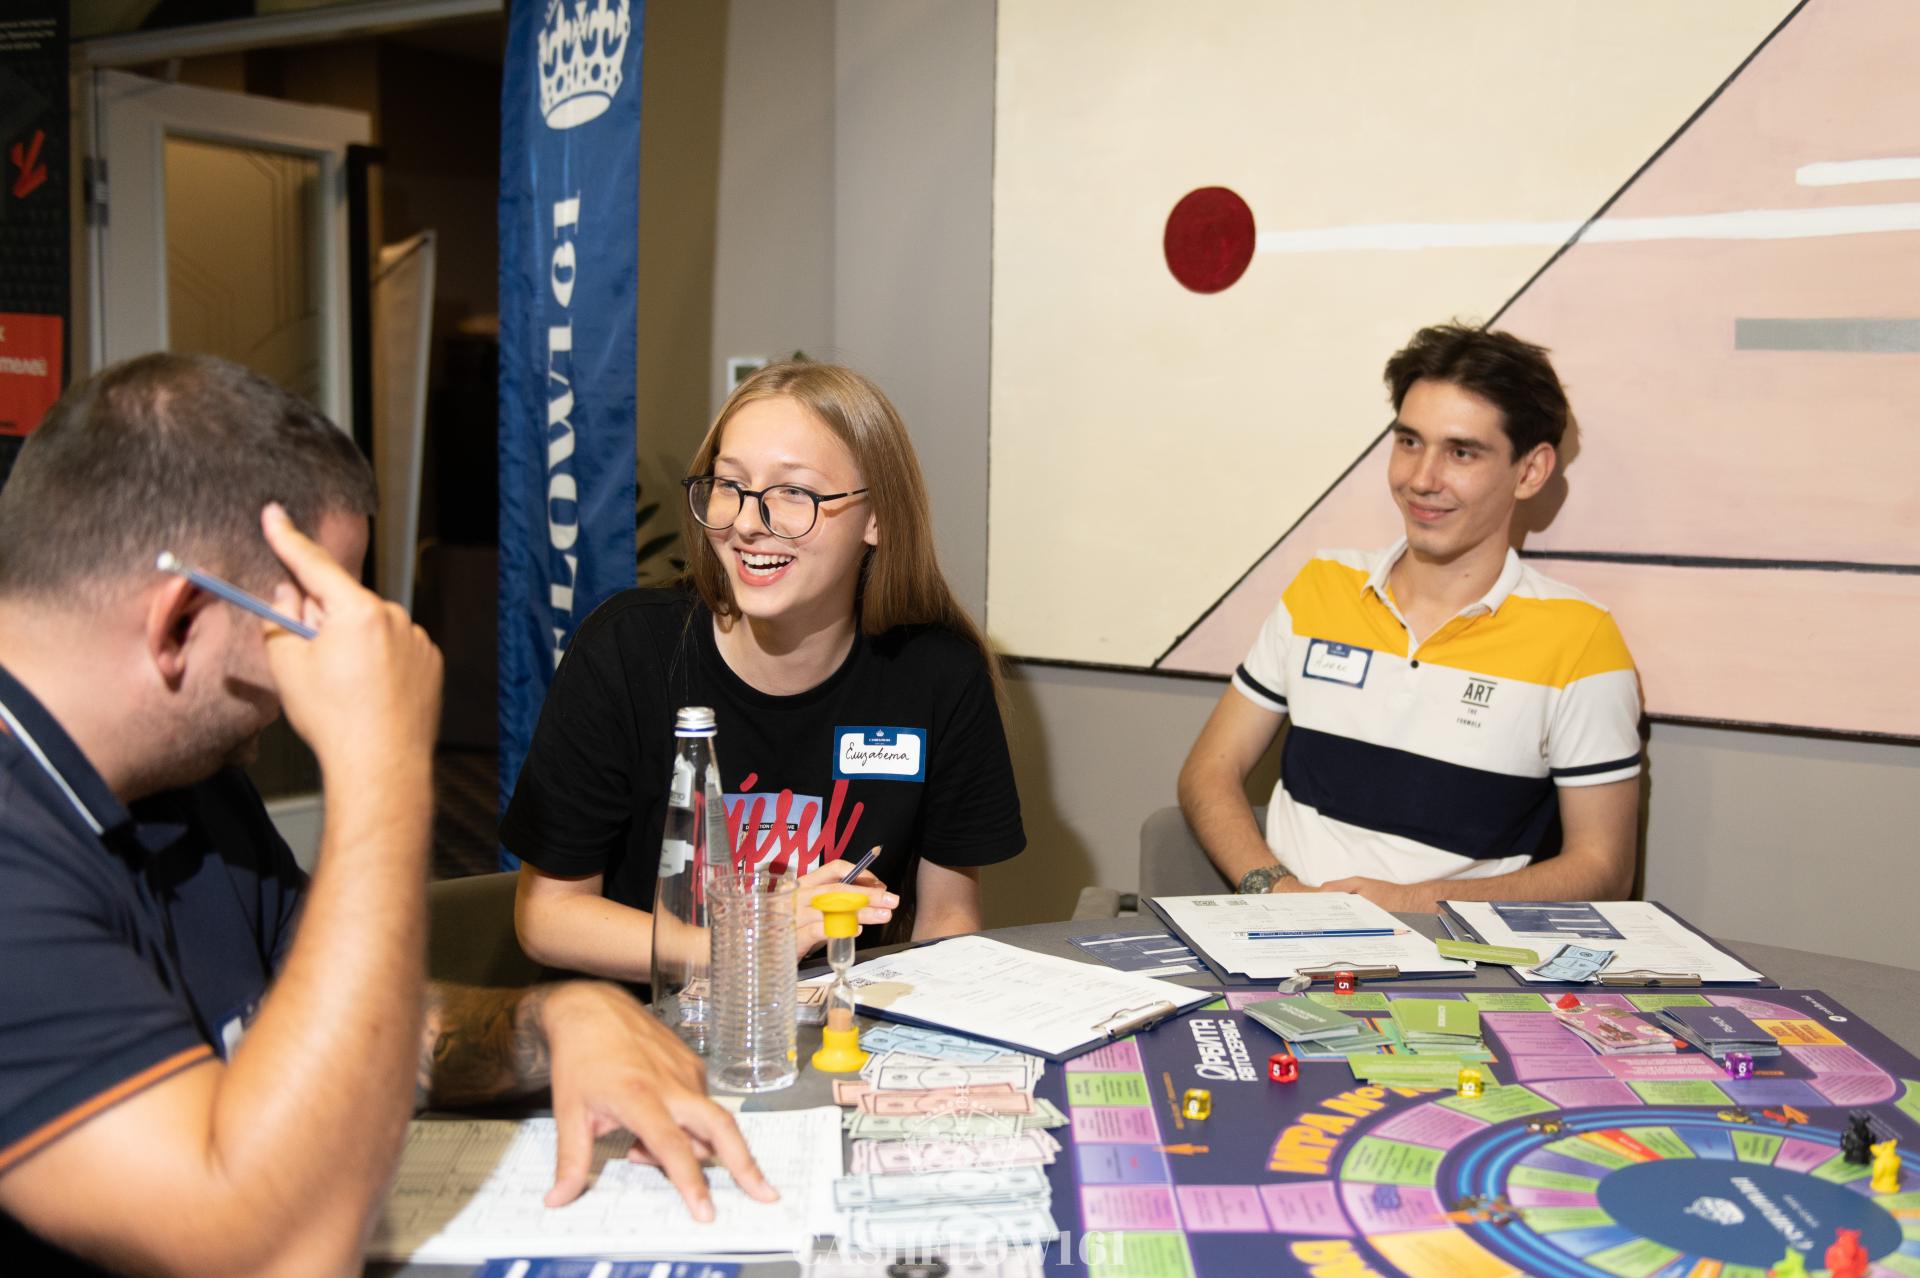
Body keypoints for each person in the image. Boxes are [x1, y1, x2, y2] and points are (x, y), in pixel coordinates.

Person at [0, 354, 772, 1277]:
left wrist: (555, 1022)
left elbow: (356, 1020)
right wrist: (382, 762)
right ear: (178, 624)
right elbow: (281, 1256)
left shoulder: (188, 783)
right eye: (318, 626)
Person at [506, 360, 1024, 979]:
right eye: (731, 485)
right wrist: (751, 941)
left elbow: (948, 920)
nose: (749, 523)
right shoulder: (626, 650)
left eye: (794, 492)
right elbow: (548, 916)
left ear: (877, 517)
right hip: (647, 1022)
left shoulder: (939, 675)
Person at [1179, 323, 1642, 911]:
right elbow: (1209, 771)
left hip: (1451, 954)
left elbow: (1603, 868)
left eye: (1461, 452)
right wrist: (1276, 890)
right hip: (1277, 933)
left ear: (1530, 471)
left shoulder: (1581, 638)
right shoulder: (1322, 585)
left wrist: (1415, 902)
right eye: (1409, 442)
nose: (1421, 479)